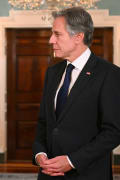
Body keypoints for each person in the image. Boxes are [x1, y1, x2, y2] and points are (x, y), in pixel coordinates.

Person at [32, 7, 120, 180]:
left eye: (57, 34)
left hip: (88, 173)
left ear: (78, 37)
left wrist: (72, 161)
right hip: (49, 173)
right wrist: (39, 153)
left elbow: (114, 132)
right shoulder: (52, 72)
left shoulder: (109, 74)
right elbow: (44, 121)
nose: (51, 40)